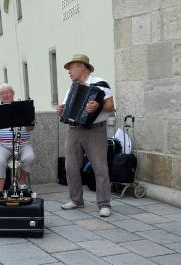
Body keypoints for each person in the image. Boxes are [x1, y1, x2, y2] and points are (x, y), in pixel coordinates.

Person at [57, 54, 114, 217]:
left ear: (81, 66)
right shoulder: (71, 89)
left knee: (100, 167)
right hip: (74, 130)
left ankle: (104, 203)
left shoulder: (100, 84)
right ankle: (76, 200)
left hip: (95, 130)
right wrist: (61, 110)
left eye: (71, 67)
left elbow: (110, 106)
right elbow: (67, 111)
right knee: (70, 166)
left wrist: (99, 105)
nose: (69, 71)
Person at [0, 84, 35, 193]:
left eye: (7, 92)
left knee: (29, 157)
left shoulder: (23, 108)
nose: (5, 95)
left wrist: (27, 121)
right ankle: (0, 191)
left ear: (13, 93)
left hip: (22, 143)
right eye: (2, 93)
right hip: (2, 145)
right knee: (0, 162)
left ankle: (21, 180)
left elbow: (31, 128)